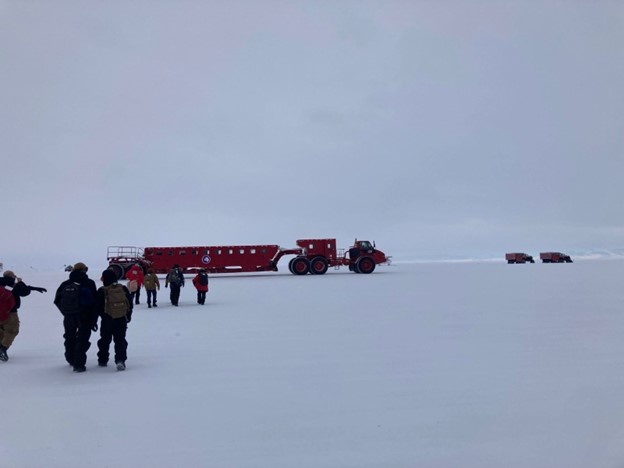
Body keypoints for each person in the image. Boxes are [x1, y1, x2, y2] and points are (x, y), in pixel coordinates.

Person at [53, 262, 98, 372]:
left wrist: (66, 312)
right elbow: (95, 303)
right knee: (82, 339)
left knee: (69, 337)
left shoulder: (65, 284)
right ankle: (79, 365)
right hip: (85, 317)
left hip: (68, 316)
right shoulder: (89, 283)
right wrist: (93, 319)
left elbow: (57, 300)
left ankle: (70, 358)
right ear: (84, 270)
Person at [0, 270, 47, 362]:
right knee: (11, 331)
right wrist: (20, 282)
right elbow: (24, 292)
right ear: (12, 276)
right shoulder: (13, 283)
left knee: (1, 330)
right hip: (11, 313)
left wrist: (32, 288)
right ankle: (3, 349)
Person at [96, 269, 133, 371]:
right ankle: (120, 360)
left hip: (107, 319)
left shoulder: (102, 290)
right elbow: (130, 303)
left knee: (104, 340)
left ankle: (102, 360)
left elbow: (97, 307)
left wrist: (101, 316)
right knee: (120, 340)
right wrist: (128, 316)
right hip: (121, 319)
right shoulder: (123, 288)